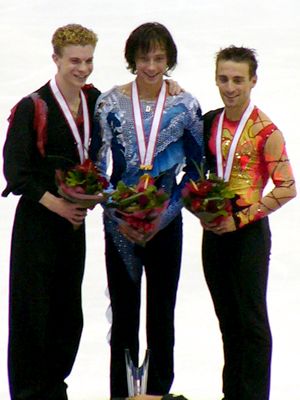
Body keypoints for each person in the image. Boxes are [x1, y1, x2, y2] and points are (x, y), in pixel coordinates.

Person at [92, 22, 204, 399]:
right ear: (132, 59)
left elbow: (197, 170)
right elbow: (97, 167)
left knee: (161, 317)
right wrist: (117, 212)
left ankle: (157, 394)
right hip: (119, 228)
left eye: (159, 58)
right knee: (124, 317)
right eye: (144, 58)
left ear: (169, 59)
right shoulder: (109, 103)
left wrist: (163, 216)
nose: (152, 66)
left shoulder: (185, 105)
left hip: (165, 225)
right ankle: (121, 395)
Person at [2, 24, 101, 400]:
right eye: (74, 60)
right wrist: (58, 203)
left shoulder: (95, 102)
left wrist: (88, 199)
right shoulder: (34, 106)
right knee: (32, 311)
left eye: (89, 60)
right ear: (56, 59)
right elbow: (15, 171)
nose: (82, 68)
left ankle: (55, 387)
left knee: (67, 312)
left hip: (73, 224)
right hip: (39, 222)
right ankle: (28, 393)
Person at [201, 45, 297, 400]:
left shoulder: (265, 130)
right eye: (224, 79)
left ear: (253, 80)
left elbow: (287, 187)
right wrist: (204, 210)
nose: (230, 87)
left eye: (238, 80)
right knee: (229, 324)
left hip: (248, 236)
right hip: (214, 233)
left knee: (252, 325)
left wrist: (240, 219)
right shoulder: (210, 121)